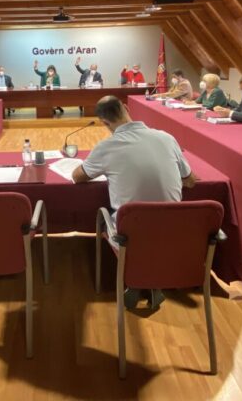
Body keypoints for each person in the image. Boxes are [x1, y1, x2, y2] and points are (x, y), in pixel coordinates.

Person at [72, 96, 196, 309]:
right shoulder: (166, 138)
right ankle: (151, 279)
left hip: (131, 235)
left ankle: (139, 279)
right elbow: (191, 181)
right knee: (149, 223)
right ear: (126, 108)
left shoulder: (106, 147)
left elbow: (77, 177)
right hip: (173, 230)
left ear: (104, 122)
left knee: (115, 219)